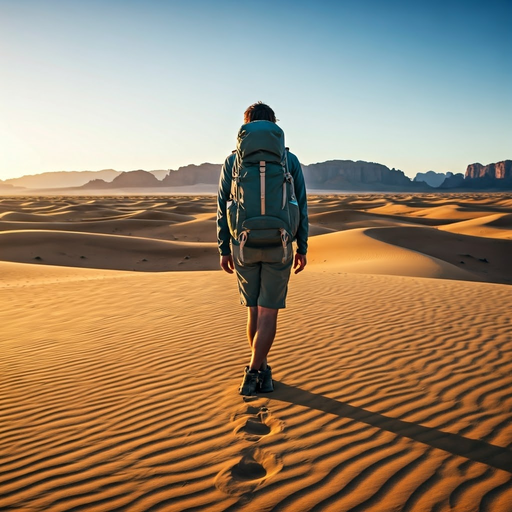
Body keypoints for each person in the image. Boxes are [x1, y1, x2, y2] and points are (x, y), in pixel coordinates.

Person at [216, 102, 308, 395]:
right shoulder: (287, 160)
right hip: (280, 244)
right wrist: (302, 245)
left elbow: (221, 208)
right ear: (274, 125)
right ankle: (256, 370)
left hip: (243, 244)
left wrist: (224, 249)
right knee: (269, 313)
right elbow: (302, 205)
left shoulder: (233, 162)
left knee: (253, 311)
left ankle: (260, 368)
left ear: (245, 126)